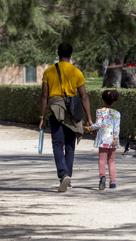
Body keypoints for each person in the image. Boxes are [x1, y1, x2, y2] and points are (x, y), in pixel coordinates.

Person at [39, 42, 92, 192]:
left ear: (58, 53)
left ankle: (63, 175)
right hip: (72, 109)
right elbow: (84, 96)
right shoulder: (77, 72)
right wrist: (89, 117)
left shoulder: (49, 72)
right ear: (71, 54)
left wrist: (42, 116)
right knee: (70, 145)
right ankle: (67, 175)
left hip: (56, 109)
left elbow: (44, 96)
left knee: (57, 144)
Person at [85, 89, 121, 190]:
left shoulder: (100, 111)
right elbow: (117, 127)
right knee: (112, 161)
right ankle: (113, 182)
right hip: (113, 140)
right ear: (113, 100)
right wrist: (115, 137)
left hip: (103, 140)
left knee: (102, 160)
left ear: (103, 100)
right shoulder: (117, 113)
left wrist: (89, 128)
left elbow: (99, 124)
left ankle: (102, 178)